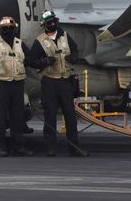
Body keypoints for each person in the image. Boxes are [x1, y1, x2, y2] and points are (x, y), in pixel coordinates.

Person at [0, 16, 45, 157]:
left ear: (15, 29)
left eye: (10, 28)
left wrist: (43, 63)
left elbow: (29, 60)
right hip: (0, 84)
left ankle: (19, 146)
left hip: (17, 84)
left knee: (17, 117)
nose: (8, 31)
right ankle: (0, 147)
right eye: (5, 28)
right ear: (0, 29)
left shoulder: (19, 44)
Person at [29, 10, 87, 157]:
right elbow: (30, 61)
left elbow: (75, 50)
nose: (53, 24)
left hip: (65, 80)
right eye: (50, 23)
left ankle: (74, 147)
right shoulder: (40, 41)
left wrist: (73, 57)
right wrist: (44, 62)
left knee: (70, 116)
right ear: (44, 25)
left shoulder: (65, 36)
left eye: (55, 21)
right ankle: (51, 147)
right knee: (50, 115)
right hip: (49, 81)